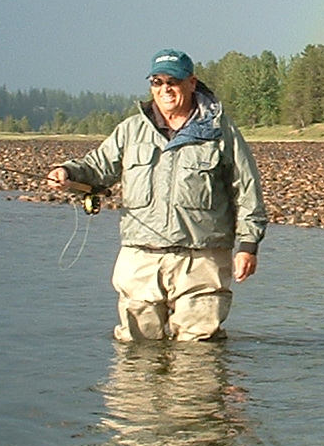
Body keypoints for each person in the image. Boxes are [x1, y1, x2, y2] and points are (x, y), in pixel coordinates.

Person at [47, 49, 266, 342]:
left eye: (173, 81)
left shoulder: (219, 130)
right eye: (157, 82)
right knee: (135, 349)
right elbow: (97, 168)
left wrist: (248, 246)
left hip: (202, 258)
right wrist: (67, 172)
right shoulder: (131, 130)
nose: (165, 89)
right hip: (140, 257)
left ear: (191, 82)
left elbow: (247, 188)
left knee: (199, 352)